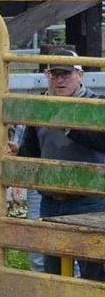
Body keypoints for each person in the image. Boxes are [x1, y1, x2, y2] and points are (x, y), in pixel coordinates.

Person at [11, 49, 105, 281]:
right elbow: (32, 150)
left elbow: (101, 141)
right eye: (55, 75)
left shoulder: (95, 105)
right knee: (51, 270)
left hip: (89, 198)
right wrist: (18, 153)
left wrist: (66, 122)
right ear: (47, 75)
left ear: (80, 75)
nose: (60, 80)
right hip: (51, 199)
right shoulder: (41, 106)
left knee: (93, 269)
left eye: (66, 74)